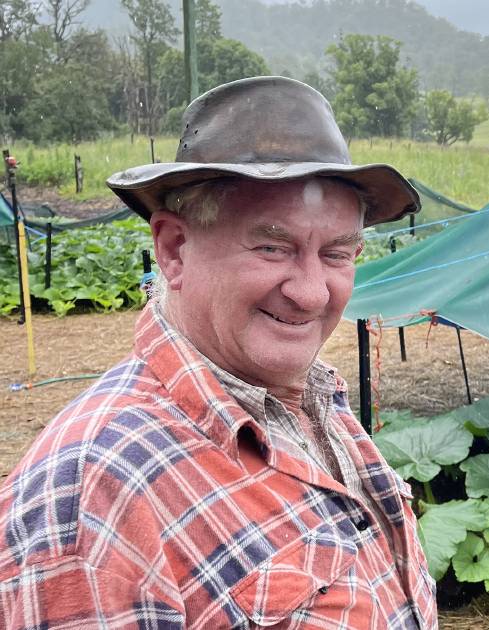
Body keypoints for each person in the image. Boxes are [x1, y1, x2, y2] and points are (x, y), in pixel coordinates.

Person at [0, 76, 438, 629]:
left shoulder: (310, 398)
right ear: (174, 248)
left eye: (336, 253)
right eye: (272, 247)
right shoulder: (96, 492)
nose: (311, 292)